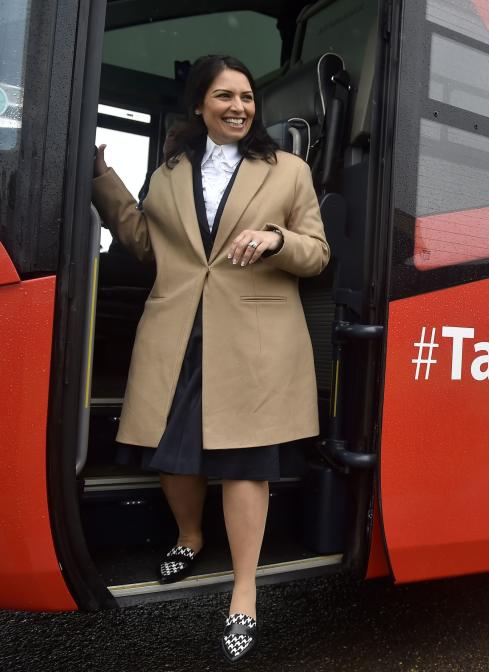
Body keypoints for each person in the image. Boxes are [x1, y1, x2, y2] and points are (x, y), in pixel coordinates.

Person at [92, 54, 330, 662]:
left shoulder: (289, 171)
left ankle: (244, 592)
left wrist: (277, 240)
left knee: (247, 464)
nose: (238, 107)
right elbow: (147, 244)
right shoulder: (169, 172)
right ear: (199, 104)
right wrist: (101, 179)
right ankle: (191, 536)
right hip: (178, 331)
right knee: (172, 453)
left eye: (247, 97)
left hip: (253, 338)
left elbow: (317, 253)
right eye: (224, 96)